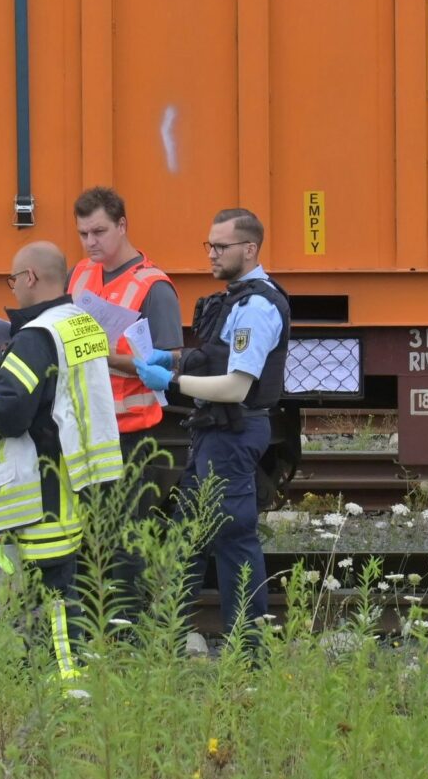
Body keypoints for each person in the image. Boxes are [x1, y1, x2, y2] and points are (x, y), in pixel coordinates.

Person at [0, 240, 124, 679]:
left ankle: (71, 690)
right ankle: (22, 678)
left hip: (37, 493)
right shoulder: (79, 324)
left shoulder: (35, 337)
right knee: (47, 589)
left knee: (53, 598)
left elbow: (7, 414)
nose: (12, 290)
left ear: (30, 277)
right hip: (73, 480)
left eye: (13, 280)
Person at [137, 206, 290, 639]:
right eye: (210, 245)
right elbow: (220, 357)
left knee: (233, 542)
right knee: (188, 536)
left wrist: (173, 379)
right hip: (215, 434)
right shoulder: (236, 299)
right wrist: (175, 357)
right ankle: (169, 637)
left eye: (221, 247)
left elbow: (238, 387)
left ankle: (248, 648)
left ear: (249, 248)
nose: (212, 254)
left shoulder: (257, 306)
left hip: (232, 432)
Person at [65, 185, 183, 614]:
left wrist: (105, 356)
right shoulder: (80, 275)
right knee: (86, 536)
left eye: (98, 232)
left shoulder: (153, 287)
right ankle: (93, 626)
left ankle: (127, 631)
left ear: (122, 226)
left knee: (126, 540)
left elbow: (169, 362)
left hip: (129, 434)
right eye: (83, 234)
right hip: (84, 429)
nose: (91, 242)